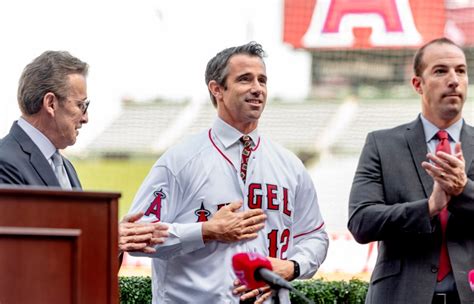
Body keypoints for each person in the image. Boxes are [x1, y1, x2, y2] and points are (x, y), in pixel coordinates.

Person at [127, 41, 329, 303]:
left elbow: (315, 235)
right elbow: (137, 237)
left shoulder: (290, 165)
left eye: (262, 80)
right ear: (217, 89)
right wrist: (206, 230)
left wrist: (292, 267)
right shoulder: (179, 161)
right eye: (245, 79)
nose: (257, 88)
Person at [0, 50, 167, 257]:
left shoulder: (65, 166)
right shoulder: (4, 163)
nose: (85, 117)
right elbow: (20, 255)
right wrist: (105, 237)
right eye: (81, 105)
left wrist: (114, 241)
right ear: (50, 103)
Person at [348, 37, 474, 304]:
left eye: (461, 71)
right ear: (418, 84)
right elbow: (361, 221)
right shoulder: (381, 144)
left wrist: (463, 190)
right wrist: (428, 208)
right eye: (440, 71)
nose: (454, 79)